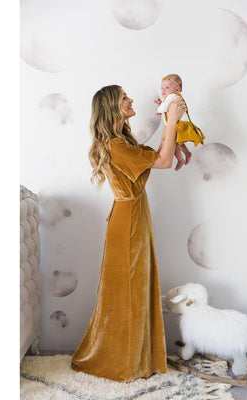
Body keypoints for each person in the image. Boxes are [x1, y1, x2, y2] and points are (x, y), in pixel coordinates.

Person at [71, 85, 186, 382]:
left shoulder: (122, 140)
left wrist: (168, 120)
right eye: (124, 97)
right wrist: (171, 121)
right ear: (113, 106)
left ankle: (138, 357)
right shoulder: (116, 146)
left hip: (133, 215)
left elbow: (159, 156)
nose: (131, 99)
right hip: (128, 221)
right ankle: (124, 362)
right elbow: (163, 161)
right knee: (128, 290)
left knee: (137, 287)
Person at [154, 74, 205, 171]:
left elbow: (163, 109)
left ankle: (184, 156)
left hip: (180, 125)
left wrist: (158, 109)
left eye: (167, 87)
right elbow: (166, 112)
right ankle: (183, 157)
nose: (163, 90)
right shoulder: (169, 98)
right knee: (175, 145)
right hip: (176, 125)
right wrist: (160, 104)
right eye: (162, 88)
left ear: (177, 89)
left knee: (174, 145)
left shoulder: (172, 96)